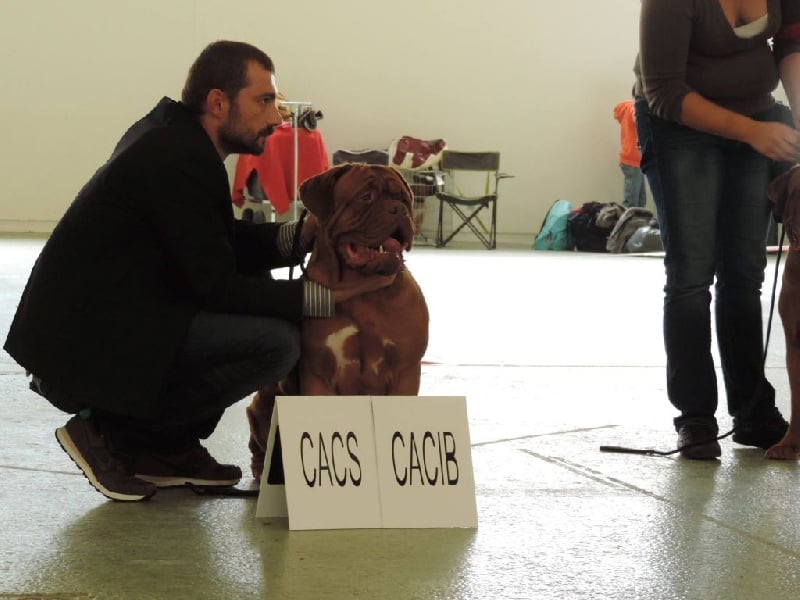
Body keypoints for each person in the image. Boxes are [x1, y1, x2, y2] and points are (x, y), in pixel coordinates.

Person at [3, 40, 397, 501]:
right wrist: (328, 298)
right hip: (84, 346)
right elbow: (217, 287)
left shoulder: (176, 137)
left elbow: (213, 242)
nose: (277, 117)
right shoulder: (177, 157)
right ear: (217, 103)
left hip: (110, 320)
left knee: (266, 299)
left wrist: (301, 235)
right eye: (264, 100)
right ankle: (113, 434)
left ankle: (162, 450)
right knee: (275, 343)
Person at [634, 0, 800, 459]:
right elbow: (664, 91)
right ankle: (696, 419)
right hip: (677, 124)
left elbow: (791, 43)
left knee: (744, 275)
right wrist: (750, 132)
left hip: (758, 117)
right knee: (690, 276)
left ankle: (752, 412)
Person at [613, 98, 647, 208]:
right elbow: (636, 118)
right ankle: (629, 219)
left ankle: (636, 218)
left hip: (634, 160)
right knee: (632, 203)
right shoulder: (634, 108)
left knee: (640, 200)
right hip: (633, 160)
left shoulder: (628, 107)